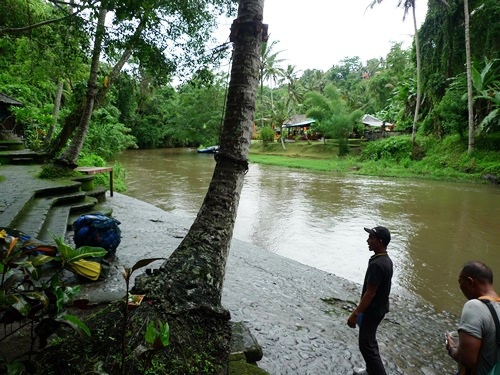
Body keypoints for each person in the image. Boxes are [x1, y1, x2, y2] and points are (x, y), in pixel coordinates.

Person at [348, 226, 393, 375]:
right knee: (369, 342)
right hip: (380, 308)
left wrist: (356, 313)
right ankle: (370, 370)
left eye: (371, 238)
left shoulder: (377, 265)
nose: (368, 240)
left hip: (372, 311)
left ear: (380, 242)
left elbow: (370, 293)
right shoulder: (385, 260)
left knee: (367, 346)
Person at [446, 261, 500, 375]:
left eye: (460, 282)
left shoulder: (474, 306)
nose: (460, 288)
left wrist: (452, 349)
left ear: (470, 282)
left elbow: (468, 361)